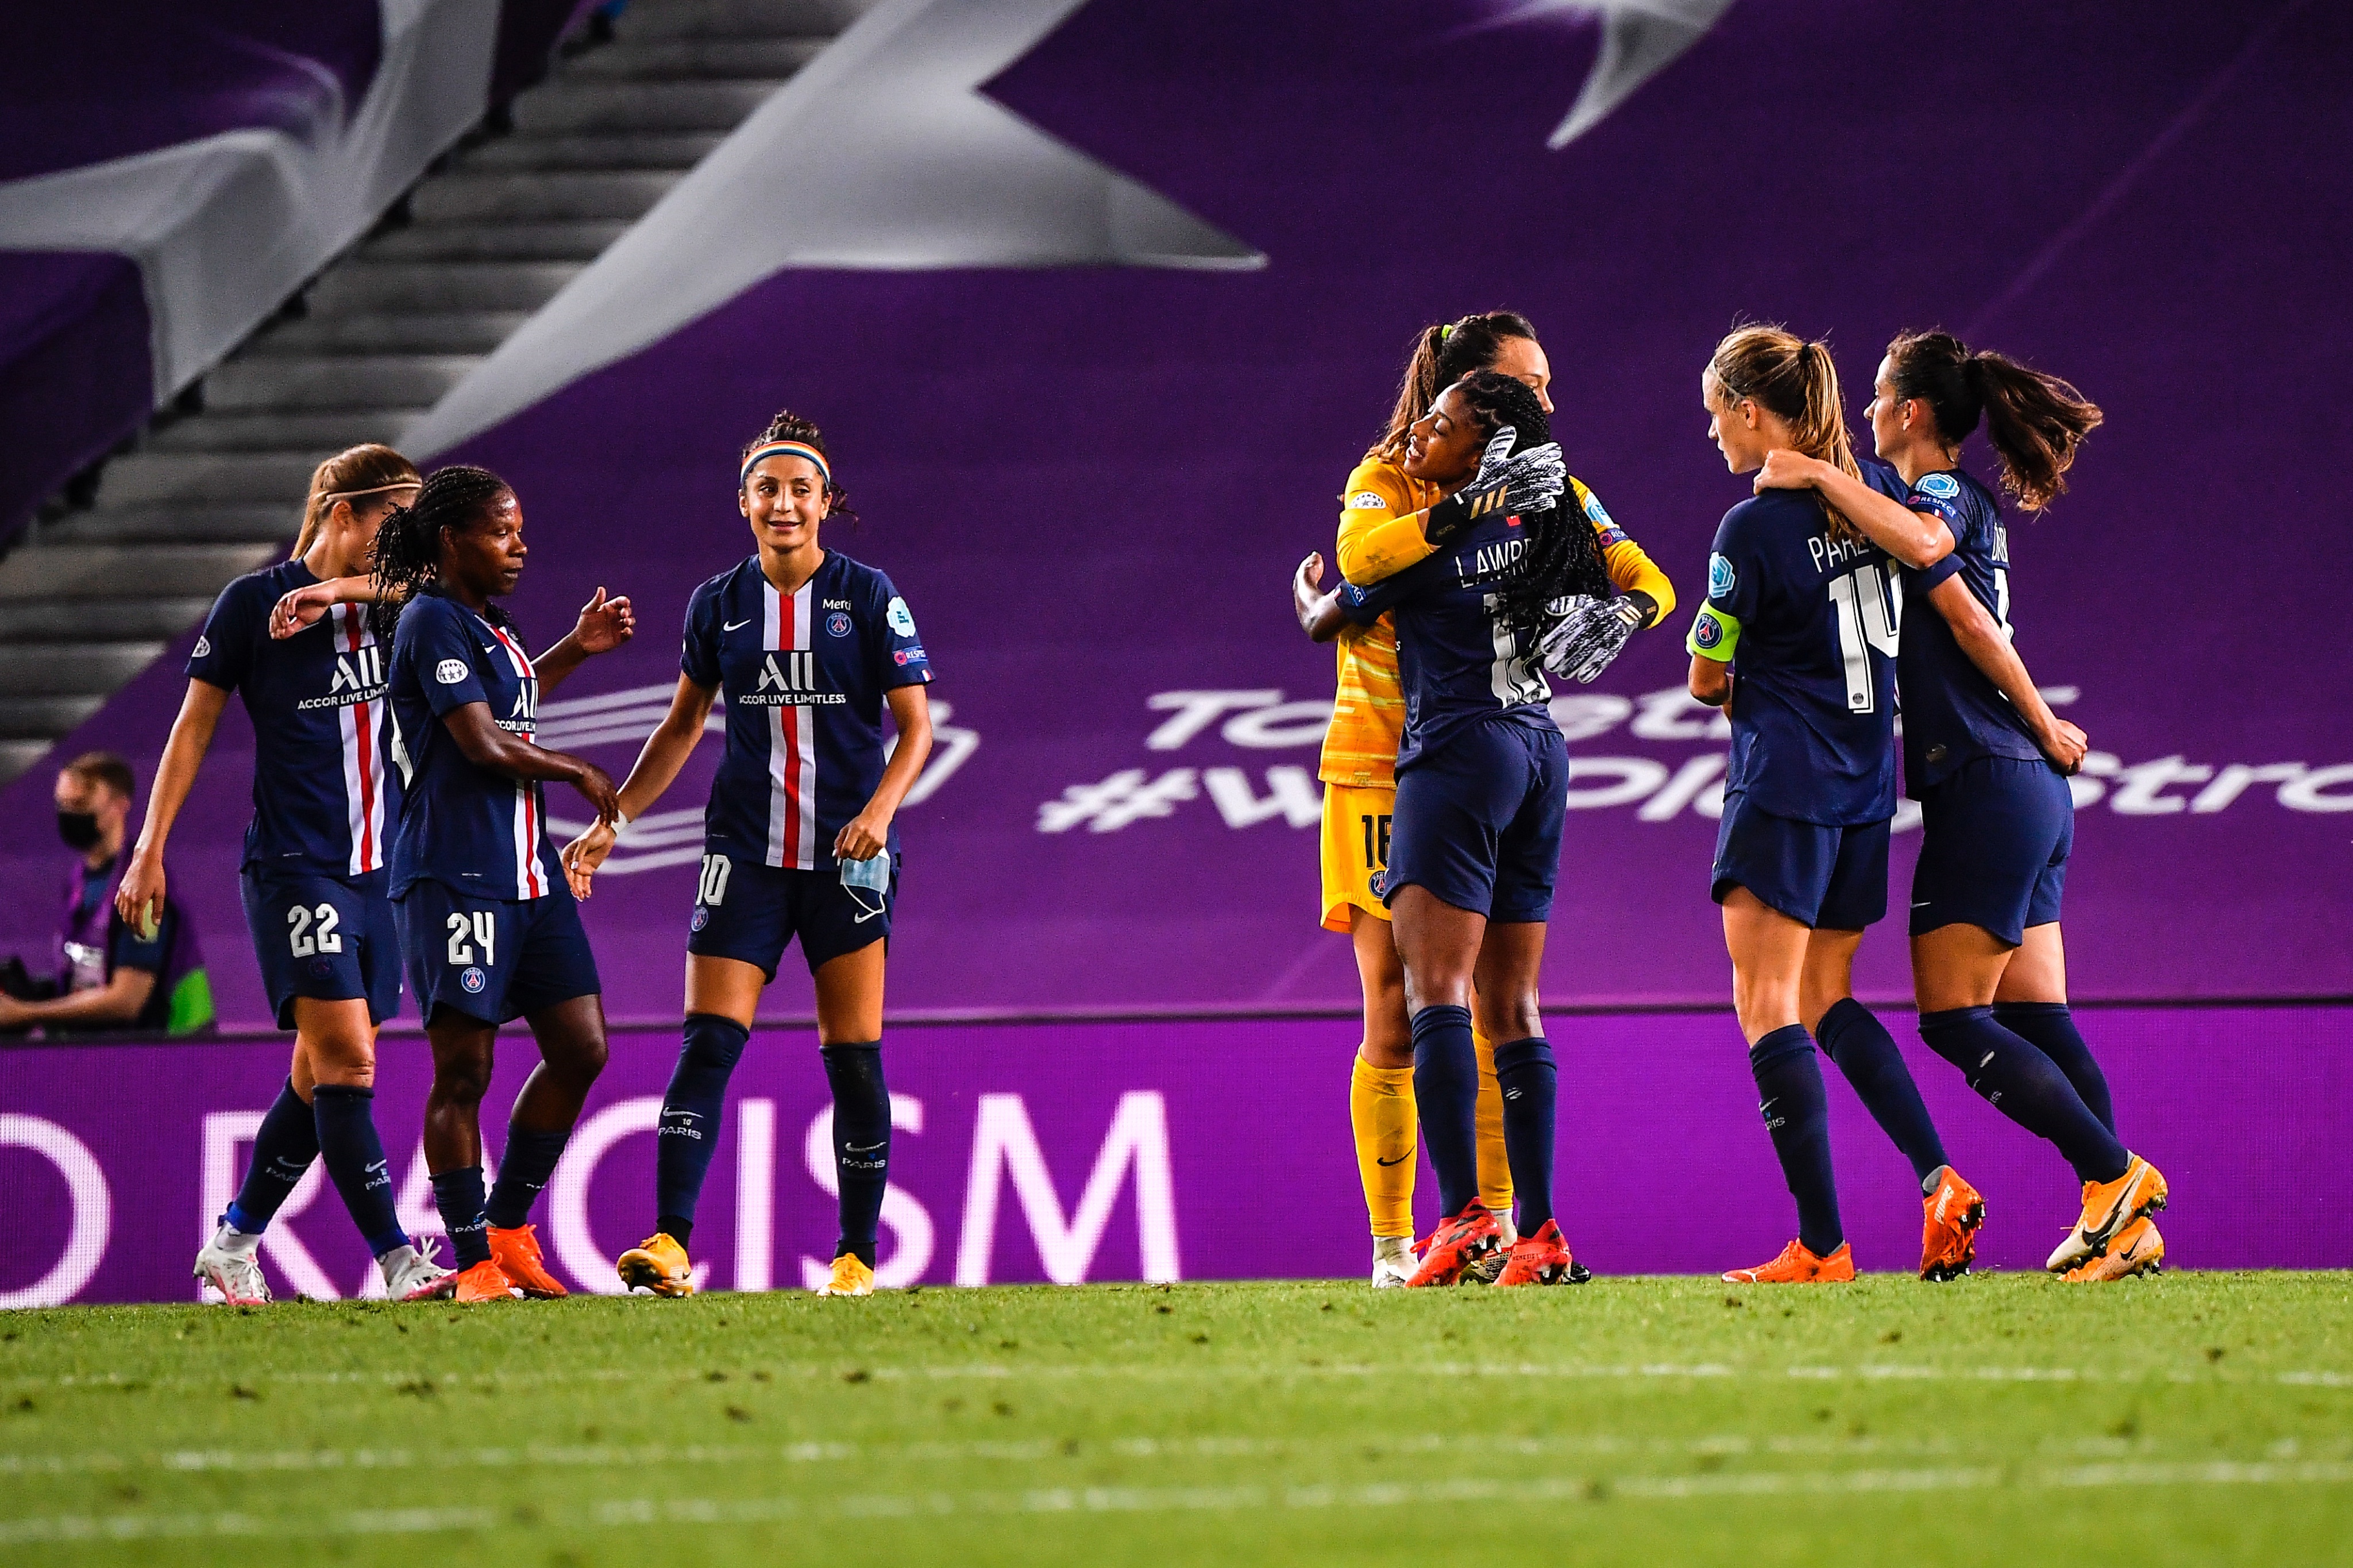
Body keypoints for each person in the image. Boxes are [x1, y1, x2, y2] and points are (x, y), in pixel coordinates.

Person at [1755, 330, 2166, 1282]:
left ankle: (2114, 1178)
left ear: (1911, 413)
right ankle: (2121, 1223)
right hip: (2022, 789)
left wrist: (1816, 472)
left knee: (1950, 1018)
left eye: (1875, 398)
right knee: (2037, 1015)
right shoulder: (1937, 499)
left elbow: (1951, 589)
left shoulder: (1938, 499)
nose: (1863, 412)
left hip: (1987, 778)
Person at [1293, 311, 1674, 1286]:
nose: (1550, 401)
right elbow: (1362, 562)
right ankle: (1410, 1241)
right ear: (1466, 398)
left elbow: (1354, 590)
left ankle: (1477, 1222)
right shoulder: (1388, 477)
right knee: (1432, 1003)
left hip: (1449, 751)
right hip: (1420, 755)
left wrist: (1619, 608)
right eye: (1529, 383)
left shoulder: (1521, 498)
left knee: (1440, 997)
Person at [564, 411, 934, 1301]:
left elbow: (917, 726)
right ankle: (670, 1242)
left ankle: (855, 1256)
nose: (784, 503)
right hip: (745, 854)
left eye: (800, 489)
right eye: (767, 489)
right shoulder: (717, 604)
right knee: (707, 1044)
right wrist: (614, 817)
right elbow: (684, 723)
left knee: (852, 1055)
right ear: (744, 503)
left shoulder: (868, 593)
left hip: (845, 860)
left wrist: (880, 810)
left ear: (824, 501)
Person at [107, 446, 455, 1305]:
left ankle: (233, 1240)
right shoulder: (250, 606)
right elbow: (191, 728)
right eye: (393, 525)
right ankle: (396, 1260)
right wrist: (148, 846)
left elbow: (436, 589)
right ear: (344, 515)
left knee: (319, 1073)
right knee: (347, 1065)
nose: (406, 544)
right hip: (297, 866)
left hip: (382, 871)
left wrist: (339, 591)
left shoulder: (391, 608)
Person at [1684, 326, 1985, 1286]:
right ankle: (1936, 1175)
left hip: (1782, 784)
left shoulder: (1750, 527)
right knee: (1826, 997)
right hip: (1864, 791)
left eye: (1715, 415)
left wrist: (1739, 677)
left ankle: (1822, 1244)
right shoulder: (1874, 503)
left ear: (1749, 410)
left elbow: (1703, 674)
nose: (1712, 436)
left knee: (1764, 1002)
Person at [372, 464, 635, 1303]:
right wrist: (576, 769)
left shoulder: (491, 629)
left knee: (582, 1046)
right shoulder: (427, 620)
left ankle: (510, 1230)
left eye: (520, 529)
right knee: (464, 1073)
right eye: (501, 530)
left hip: (527, 875)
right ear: (452, 540)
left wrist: (573, 648)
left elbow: (510, 701)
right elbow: (484, 743)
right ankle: (473, 1259)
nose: (520, 545)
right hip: (455, 875)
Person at [0, 752, 214, 1041]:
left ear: (119, 806)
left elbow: (127, 1000)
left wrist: (26, 1012)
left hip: (172, 1054)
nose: (69, 815)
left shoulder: (143, 887)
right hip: (110, 1051)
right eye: (61, 805)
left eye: (79, 805)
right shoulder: (78, 882)